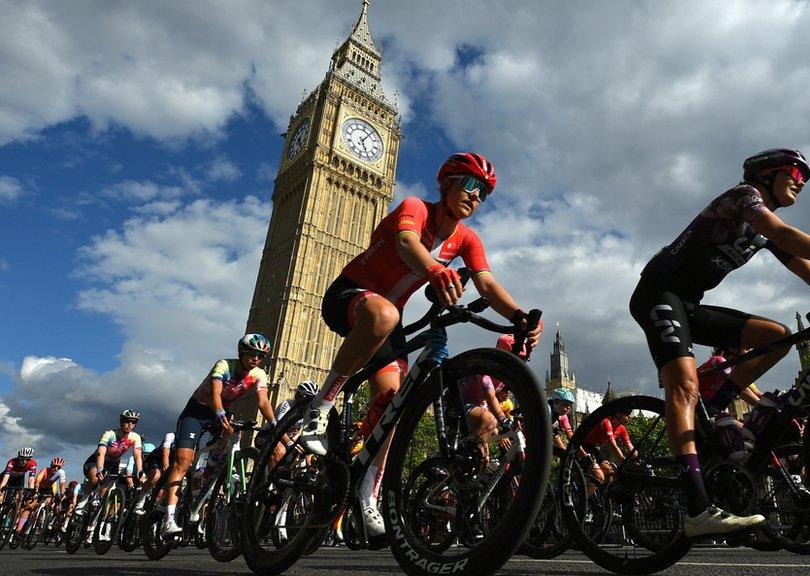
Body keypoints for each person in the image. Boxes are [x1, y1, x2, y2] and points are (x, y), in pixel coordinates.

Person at [629, 148, 810, 538]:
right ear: (766, 174)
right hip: (658, 293)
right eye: (795, 171)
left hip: (689, 303)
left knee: (777, 337)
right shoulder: (743, 197)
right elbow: (783, 232)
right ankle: (696, 508)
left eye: (806, 179)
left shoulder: (764, 230)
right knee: (684, 386)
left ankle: (715, 406)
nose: (800, 181)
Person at [298, 152, 543, 538]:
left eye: (485, 194)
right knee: (384, 315)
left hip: (388, 317)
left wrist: (520, 317)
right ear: (446, 183)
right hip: (351, 296)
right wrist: (434, 270)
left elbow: (486, 284)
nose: (476, 197)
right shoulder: (416, 207)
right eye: (471, 185)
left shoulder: (467, 238)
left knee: (394, 404)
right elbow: (407, 242)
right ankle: (321, 405)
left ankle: (366, 495)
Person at [161, 333, 278, 537]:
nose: (256, 359)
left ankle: (209, 471)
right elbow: (215, 394)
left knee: (233, 436)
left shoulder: (259, 374)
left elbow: (263, 402)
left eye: (260, 356)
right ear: (242, 353)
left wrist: (276, 424)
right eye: (252, 354)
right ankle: (169, 519)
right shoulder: (224, 365)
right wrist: (219, 411)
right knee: (183, 462)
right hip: (198, 411)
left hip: (224, 411)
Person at [76, 409, 144, 541]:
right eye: (127, 421)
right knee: (95, 478)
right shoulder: (110, 433)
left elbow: (137, 455)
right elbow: (101, 453)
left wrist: (140, 470)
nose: (130, 424)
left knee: (107, 489)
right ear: (121, 421)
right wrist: (100, 468)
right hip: (96, 461)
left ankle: (96, 516)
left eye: (133, 422)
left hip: (113, 463)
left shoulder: (135, 437)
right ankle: (83, 501)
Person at [581, 409, 635, 486]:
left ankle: (599, 495)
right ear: (618, 414)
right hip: (583, 445)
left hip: (594, 448)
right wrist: (625, 463)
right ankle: (584, 497)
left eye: (630, 414)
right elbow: (614, 446)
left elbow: (631, 448)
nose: (629, 416)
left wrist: (636, 458)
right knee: (599, 477)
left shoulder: (622, 429)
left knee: (610, 474)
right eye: (626, 413)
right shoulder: (606, 422)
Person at [15, 457, 66, 537]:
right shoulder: (45, 470)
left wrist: (63, 493)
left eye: (58, 467)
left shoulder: (61, 472)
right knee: (30, 507)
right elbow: (38, 480)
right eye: (54, 466)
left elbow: (62, 484)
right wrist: (35, 491)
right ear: (51, 465)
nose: (55, 468)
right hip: (38, 488)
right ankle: (18, 530)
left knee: (47, 503)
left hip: (48, 490)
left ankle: (39, 514)